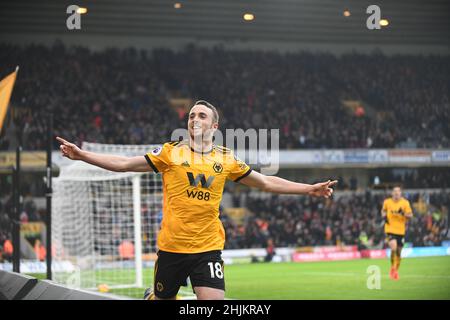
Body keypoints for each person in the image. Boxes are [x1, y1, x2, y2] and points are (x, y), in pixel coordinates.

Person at [56, 100, 337, 300]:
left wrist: (308, 189)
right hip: (172, 248)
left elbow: (265, 181)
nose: (194, 119)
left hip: (208, 248)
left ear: (214, 125)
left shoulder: (226, 159)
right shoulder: (171, 153)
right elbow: (125, 164)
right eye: (191, 116)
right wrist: (83, 155)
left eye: (201, 116)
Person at [381, 186, 413, 280]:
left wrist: (403, 214)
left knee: (399, 253)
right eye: (394, 191)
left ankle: (395, 271)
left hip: (400, 231)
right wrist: (384, 216)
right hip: (390, 229)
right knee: (393, 247)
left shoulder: (405, 203)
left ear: (401, 193)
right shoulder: (387, 202)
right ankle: (392, 268)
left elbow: (410, 215)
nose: (396, 193)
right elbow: (383, 211)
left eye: (398, 191)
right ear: (392, 193)